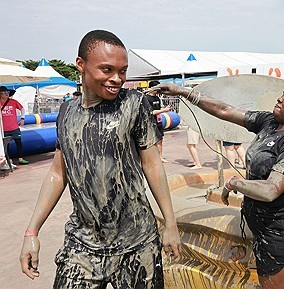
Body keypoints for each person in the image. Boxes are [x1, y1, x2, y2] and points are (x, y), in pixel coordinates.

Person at [19, 30, 181, 289]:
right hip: (82, 246)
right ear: (81, 65)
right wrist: (31, 232)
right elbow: (59, 173)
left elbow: (152, 165)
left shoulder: (134, 105)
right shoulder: (66, 112)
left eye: (123, 71)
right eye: (107, 69)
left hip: (137, 244)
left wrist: (170, 224)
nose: (117, 79)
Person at [155, 73, 284, 289]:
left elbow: (270, 190)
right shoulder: (269, 123)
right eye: (282, 94)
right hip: (264, 227)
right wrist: (184, 92)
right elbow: (226, 111)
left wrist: (234, 183)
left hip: (282, 233)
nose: (279, 99)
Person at [0, 86, 28, 165]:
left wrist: (22, 118)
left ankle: (21, 158)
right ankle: (9, 160)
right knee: (6, 145)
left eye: (8, 92)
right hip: (4, 129)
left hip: (14, 127)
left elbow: (22, 109)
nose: (7, 94)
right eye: (5, 93)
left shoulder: (13, 101)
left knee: (19, 143)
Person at [146, 80, 172, 163]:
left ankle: (160, 157)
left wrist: (165, 109)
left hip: (159, 121)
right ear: (150, 88)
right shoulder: (146, 98)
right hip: (151, 122)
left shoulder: (157, 98)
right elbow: (151, 112)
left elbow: (158, 109)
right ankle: (153, 158)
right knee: (152, 141)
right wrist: (163, 110)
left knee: (160, 140)